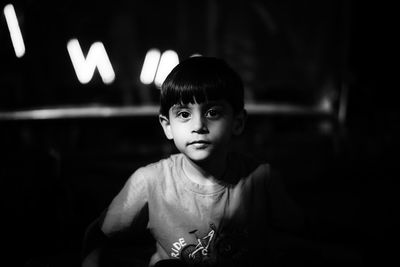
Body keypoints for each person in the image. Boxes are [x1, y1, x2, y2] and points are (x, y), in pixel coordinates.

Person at [82, 56, 305, 267]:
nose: (198, 125)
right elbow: (99, 238)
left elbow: (299, 239)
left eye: (213, 112)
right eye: (184, 114)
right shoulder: (149, 182)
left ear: (238, 122)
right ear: (167, 125)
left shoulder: (261, 180)